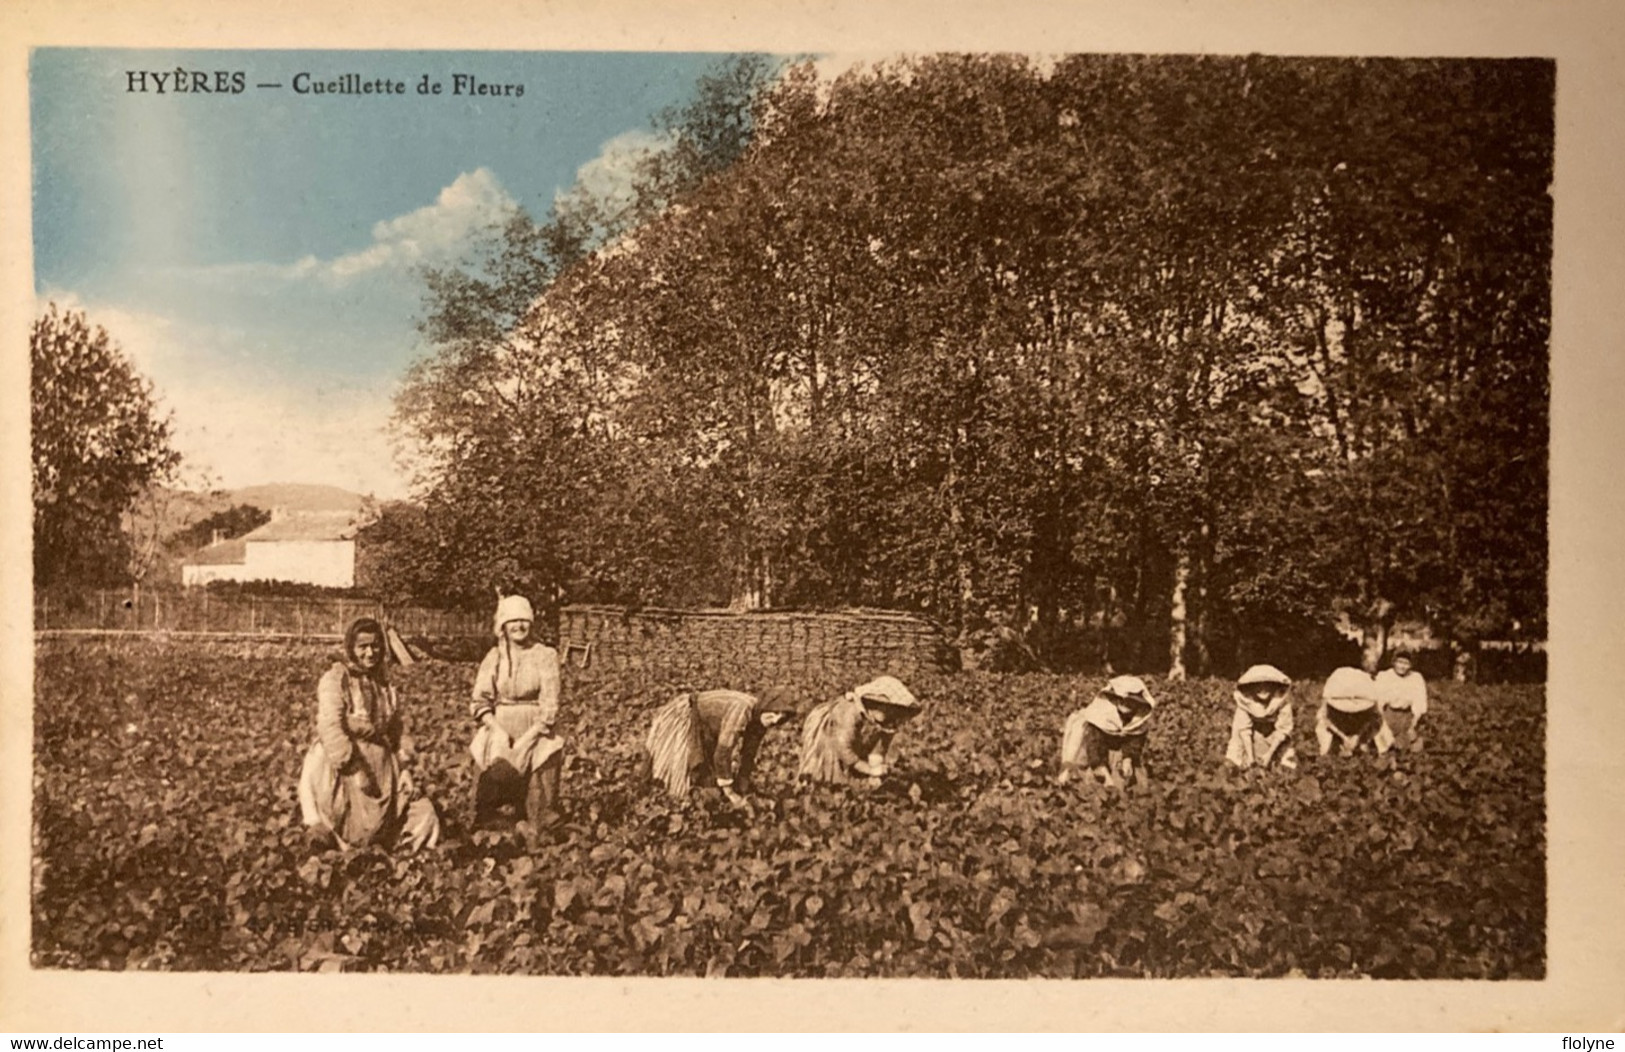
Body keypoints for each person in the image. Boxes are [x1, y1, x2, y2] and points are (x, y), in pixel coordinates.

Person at [298, 617, 441, 853]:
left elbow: (397, 730)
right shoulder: (336, 680)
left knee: (422, 815)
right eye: (362, 646)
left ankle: (397, 856)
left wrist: (404, 768)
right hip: (340, 767)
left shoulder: (384, 685)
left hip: (382, 768)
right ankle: (333, 845)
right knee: (346, 825)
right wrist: (354, 767)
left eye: (375, 646)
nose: (370, 653)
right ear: (351, 648)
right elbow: (331, 727)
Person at [470, 595, 566, 836]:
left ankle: (540, 824)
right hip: (500, 726)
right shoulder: (495, 657)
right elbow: (480, 700)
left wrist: (527, 739)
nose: (519, 626)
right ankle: (494, 827)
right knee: (486, 761)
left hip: (536, 728)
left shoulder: (545, 655)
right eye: (512, 621)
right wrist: (498, 732)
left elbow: (550, 704)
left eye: (524, 620)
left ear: (532, 623)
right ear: (502, 625)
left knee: (543, 759)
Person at [642, 687, 800, 805]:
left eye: (780, 719)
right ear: (766, 707)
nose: (774, 721)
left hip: (710, 727)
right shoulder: (742, 709)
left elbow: (749, 752)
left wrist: (744, 779)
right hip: (688, 714)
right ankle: (660, 800)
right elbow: (722, 752)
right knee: (676, 775)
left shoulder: (760, 721)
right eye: (773, 714)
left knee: (707, 780)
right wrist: (730, 792)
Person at [798, 676, 922, 785]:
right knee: (828, 766)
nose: (892, 713)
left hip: (854, 741)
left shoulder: (887, 721)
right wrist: (869, 769)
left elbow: (879, 749)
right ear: (874, 704)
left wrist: (876, 773)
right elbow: (844, 750)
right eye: (887, 709)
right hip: (830, 735)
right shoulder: (849, 712)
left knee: (859, 778)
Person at [1058, 675, 1157, 788]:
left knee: (1134, 781)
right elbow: (1094, 746)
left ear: (1139, 705)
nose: (1125, 703)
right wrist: (1103, 771)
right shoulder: (1100, 718)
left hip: (1118, 754)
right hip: (1094, 754)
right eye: (1120, 699)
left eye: (1131, 701)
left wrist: (1128, 758)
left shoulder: (1137, 723)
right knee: (1091, 783)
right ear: (1114, 700)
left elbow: (1135, 743)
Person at [1225, 664, 1298, 770]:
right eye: (1257, 685)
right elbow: (1244, 731)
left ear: (1274, 685)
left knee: (1286, 764)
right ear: (1250, 687)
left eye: (1267, 684)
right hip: (1250, 740)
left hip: (1274, 740)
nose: (1262, 689)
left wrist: (1269, 755)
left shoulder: (1282, 702)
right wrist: (1251, 758)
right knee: (1236, 762)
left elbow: (1283, 730)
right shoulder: (1245, 702)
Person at [1314, 666, 1395, 757]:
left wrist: (1357, 736)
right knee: (1326, 743)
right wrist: (1343, 737)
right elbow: (1325, 720)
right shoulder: (1329, 701)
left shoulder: (1371, 700)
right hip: (1337, 727)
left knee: (1372, 741)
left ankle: (1373, 754)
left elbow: (1373, 719)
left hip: (1362, 726)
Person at [1375, 650, 1429, 750]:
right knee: (1384, 745)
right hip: (1388, 716)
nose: (1402, 667)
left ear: (1411, 665)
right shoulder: (1385, 676)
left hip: (1407, 717)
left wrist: (1413, 724)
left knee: (1408, 747)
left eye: (1406, 663)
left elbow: (1420, 701)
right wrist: (1384, 726)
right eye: (1400, 662)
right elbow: (1378, 703)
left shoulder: (1416, 678)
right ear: (1394, 662)